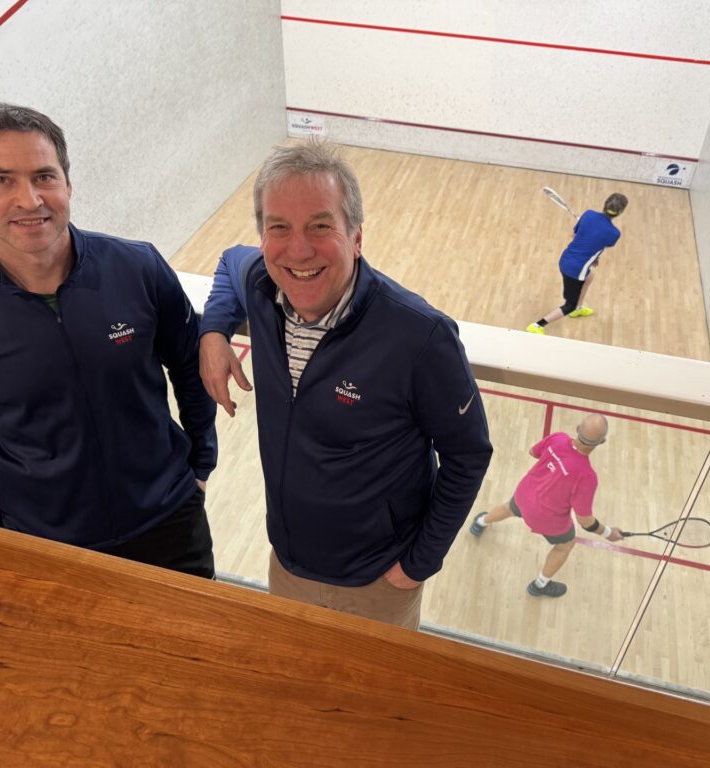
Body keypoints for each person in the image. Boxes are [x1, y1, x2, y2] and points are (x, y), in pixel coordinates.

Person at [0, 103, 218, 578]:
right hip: (43, 546)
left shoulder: (138, 268)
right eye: (2, 180)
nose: (30, 200)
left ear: (68, 183)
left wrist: (200, 463)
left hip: (170, 522)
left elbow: (191, 365)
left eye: (44, 177)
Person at [198, 140, 492, 629]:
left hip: (377, 583)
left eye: (320, 226)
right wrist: (213, 330)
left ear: (356, 236)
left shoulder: (420, 337)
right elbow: (230, 260)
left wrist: (416, 565)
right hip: (287, 563)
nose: (297, 249)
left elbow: (469, 454)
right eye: (279, 228)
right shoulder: (260, 283)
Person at [468, 414, 622, 597]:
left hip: (525, 495)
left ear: (577, 428)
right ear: (601, 442)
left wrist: (555, 465)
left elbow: (533, 452)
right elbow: (585, 521)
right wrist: (607, 532)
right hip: (548, 520)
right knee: (566, 544)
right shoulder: (587, 477)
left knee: (508, 507)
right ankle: (540, 585)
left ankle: (480, 522)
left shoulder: (558, 438)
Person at [525, 193, 628, 334]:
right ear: (620, 212)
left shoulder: (588, 214)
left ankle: (578, 309)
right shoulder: (614, 233)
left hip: (565, 259)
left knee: (590, 277)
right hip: (575, 270)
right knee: (569, 305)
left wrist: (587, 229)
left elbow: (576, 235)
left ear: (605, 204)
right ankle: (538, 325)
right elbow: (602, 243)